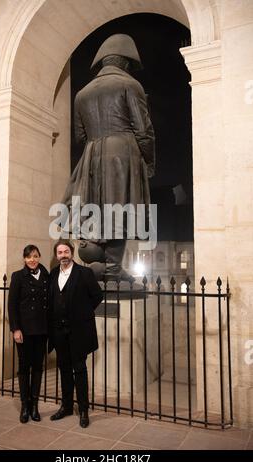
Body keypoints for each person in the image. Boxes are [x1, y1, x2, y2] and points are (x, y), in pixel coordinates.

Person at [62, 34, 155, 281]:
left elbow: (79, 136)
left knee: (95, 211)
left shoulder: (81, 93)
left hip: (92, 153)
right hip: (123, 153)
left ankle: (99, 263)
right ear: (124, 61)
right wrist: (149, 161)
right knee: (120, 210)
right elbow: (143, 131)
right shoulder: (130, 85)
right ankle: (113, 269)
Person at [48, 239, 103, 428]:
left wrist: (82, 314)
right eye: (59, 252)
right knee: (64, 369)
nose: (63, 255)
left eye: (66, 251)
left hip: (78, 331)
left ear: (72, 252)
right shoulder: (54, 273)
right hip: (59, 331)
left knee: (79, 370)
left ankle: (84, 410)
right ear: (57, 255)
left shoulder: (85, 273)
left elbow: (97, 296)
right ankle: (66, 406)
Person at [8, 245, 49, 423]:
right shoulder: (18, 276)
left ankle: (35, 406)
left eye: (35, 256)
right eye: (28, 257)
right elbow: (12, 305)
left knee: (38, 367)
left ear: (39, 257)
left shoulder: (47, 276)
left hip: (41, 330)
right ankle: (25, 405)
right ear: (24, 259)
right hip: (23, 331)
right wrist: (15, 329)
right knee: (24, 367)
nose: (32, 260)